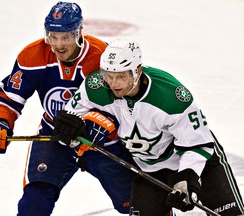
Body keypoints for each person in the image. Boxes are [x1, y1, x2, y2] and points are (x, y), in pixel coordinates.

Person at [53, 39, 244, 216]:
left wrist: (187, 178)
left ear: (137, 71)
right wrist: (70, 126)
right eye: (108, 76)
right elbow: (72, 113)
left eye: (120, 77)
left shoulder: (171, 97)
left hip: (198, 162)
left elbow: (198, 144)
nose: (113, 83)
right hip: (150, 170)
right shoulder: (96, 87)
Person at [0, 2, 136, 215]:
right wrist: (0, 123)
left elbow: (125, 102)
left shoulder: (102, 57)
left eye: (66, 37)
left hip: (101, 139)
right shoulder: (33, 56)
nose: (59, 45)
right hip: (55, 135)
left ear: (79, 33)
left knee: (139, 203)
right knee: (34, 203)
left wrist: (100, 124)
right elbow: (8, 98)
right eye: (53, 36)